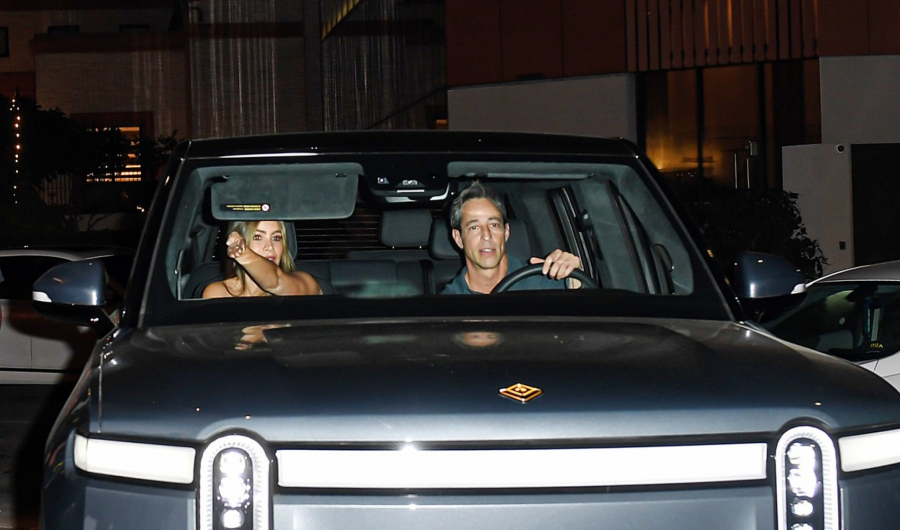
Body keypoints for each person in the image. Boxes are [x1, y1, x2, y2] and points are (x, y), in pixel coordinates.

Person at [441, 182, 582, 294]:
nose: (486, 236)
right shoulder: (448, 304)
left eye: (494, 225)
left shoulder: (540, 281)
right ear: (458, 238)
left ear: (506, 232)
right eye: (474, 227)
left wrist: (576, 278)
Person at [202, 220, 322, 298]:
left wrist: (243, 253)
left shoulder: (306, 283)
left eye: (276, 238)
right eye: (258, 237)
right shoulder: (219, 292)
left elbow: (275, 282)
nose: (269, 247)